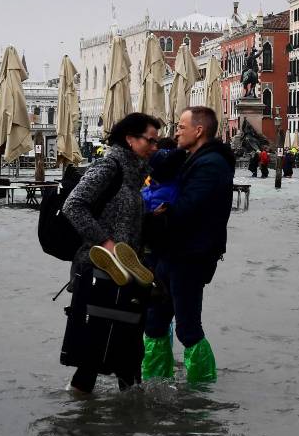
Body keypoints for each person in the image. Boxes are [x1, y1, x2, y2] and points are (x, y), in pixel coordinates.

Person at [62, 112, 161, 394]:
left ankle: (122, 419)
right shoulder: (109, 166)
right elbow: (74, 205)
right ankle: (112, 420)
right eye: (150, 141)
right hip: (99, 270)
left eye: (156, 142)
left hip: (126, 272)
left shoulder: (135, 174)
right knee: (95, 357)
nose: (155, 147)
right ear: (130, 139)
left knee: (126, 353)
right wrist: (106, 243)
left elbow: (123, 217)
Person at [142, 107, 234, 383]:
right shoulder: (192, 159)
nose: (177, 131)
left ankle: (201, 391)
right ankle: (155, 383)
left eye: (182, 127)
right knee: (155, 323)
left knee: (188, 327)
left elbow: (188, 208)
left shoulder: (212, 164)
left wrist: (151, 217)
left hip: (190, 256)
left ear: (199, 130)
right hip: (169, 253)